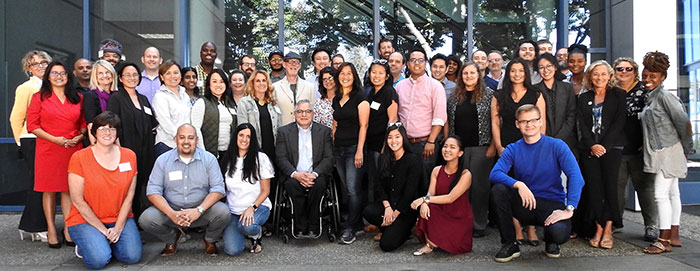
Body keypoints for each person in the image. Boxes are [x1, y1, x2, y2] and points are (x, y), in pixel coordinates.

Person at [490, 104, 584, 262]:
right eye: (524, 121)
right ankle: (510, 243)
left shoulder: (557, 145)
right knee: (498, 190)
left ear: (541, 122)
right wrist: (518, 184)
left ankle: (551, 240)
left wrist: (570, 207)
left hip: (551, 203)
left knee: (560, 233)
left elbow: (575, 176)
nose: (529, 124)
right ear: (517, 124)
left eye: (534, 120)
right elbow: (495, 174)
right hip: (526, 203)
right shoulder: (513, 148)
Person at [139, 124, 231, 257]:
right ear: (175, 139)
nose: (186, 142)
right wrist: (171, 214)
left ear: (197, 140)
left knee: (223, 212)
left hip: (201, 209)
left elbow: (218, 188)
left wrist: (199, 210)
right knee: (146, 219)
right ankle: (172, 238)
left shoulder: (209, 159)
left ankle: (209, 240)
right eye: (182, 137)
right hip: (171, 209)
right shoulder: (162, 160)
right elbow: (153, 191)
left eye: (190, 138)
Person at [66, 112, 141, 269]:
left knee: (132, 256)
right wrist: (103, 230)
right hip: (85, 220)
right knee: (98, 261)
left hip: (119, 217)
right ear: (94, 132)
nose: (108, 133)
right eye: (102, 129)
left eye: (112, 129)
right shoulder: (79, 158)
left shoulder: (129, 156)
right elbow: (78, 201)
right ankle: (94, 243)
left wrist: (118, 228)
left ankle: (104, 243)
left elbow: (129, 196)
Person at [27, 61, 87, 248]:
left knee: (69, 189)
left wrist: (78, 138)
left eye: (63, 73)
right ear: (48, 77)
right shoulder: (39, 97)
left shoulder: (77, 97)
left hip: (72, 148)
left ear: (68, 77)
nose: (59, 76)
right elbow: (32, 126)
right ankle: (52, 229)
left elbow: (84, 124)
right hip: (49, 149)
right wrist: (56, 140)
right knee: (50, 190)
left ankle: (68, 228)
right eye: (54, 73)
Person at [640, 51, 694, 254]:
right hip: (662, 151)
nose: (647, 79)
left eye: (653, 76)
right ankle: (674, 235)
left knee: (660, 195)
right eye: (645, 75)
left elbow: (684, 124)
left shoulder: (665, 97)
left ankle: (663, 240)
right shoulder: (651, 98)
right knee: (673, 193)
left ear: (663, 77)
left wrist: (687, 149)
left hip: (669, 151)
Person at [491, 58, 546, 245]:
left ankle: (530, 228)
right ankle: (516, 229)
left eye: (520, 71)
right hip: (507, 146)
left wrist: (538, 147)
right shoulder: (499, 95)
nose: (517, 74)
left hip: (531, 146)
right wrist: (499, 146)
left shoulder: (536, 94)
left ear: (526, 73)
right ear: (508, 74)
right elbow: (495, 122)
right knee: (508, 186)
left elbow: (542, 123)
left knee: (531, 184)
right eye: (513, 71)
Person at [576, 60, 626, 249]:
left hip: (611, 150)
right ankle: (598, 227)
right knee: (594, 190)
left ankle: (608, 228)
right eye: (596, 74)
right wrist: (592, 146)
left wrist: (604, 145)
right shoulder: (583, 97)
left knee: (610, 189)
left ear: (610, 76)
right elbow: (581, 125)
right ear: (590, 76)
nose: (600, 78)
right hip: (589, 150)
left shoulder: (618, 95)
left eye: (604, 74)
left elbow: (619, 122)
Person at [445, 62, 496, 238]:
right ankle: (462, 222)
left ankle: (479, 223)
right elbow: (449, 122)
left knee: (479, 188)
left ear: (479, 75)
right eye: (465, 73)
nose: (468, 76)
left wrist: (492, 146)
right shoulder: (453, 97)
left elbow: (496, 122)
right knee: (459, 187)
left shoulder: (489, 95)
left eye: (472, 73)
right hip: (459, 150)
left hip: (482, 148)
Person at [613, 57, 658, 241]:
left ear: (635, 71)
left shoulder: (644, 92)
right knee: (617, 189)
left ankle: (651, 225)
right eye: (619, 69)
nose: (623, 72)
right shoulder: (611, 92)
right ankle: (616, 222)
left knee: (645, 188)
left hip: (640, 149)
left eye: (628, 69)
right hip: (617, 149)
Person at [10, 50, 52, 242]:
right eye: (36, 64)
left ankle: (29, 225)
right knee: (39, 184)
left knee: (46, 184)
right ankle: (36, 226)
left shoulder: (53, 85)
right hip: (32, 139)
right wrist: (21, 142)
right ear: (28, 68)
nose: (41, 66)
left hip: (50, 139)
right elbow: (16, 117)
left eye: (44, 62)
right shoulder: (26, 88)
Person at [107, 63, 158, 221]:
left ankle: (140, 220)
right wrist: (118, 149)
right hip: (126, 149)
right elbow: (111, 125)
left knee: (142, 183)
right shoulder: (116, 98)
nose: (132, 78)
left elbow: (152, 123)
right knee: (127, 185)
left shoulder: (142, 98)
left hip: (145, 149)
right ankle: (126, 222)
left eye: (135, 74)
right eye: (127, 75)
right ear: (120, 78)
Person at [276, 100, 334, 238]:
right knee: (291, 185)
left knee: (319, 184)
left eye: (307, 111)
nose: (304, 115)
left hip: (316, 175)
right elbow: (281, 158)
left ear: (313, 114)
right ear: (294, 114)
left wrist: (313, 174)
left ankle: (314, 225)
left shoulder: (324, 131)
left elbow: (329, 158)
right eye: (300, 111)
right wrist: (295, 174)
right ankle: (300, 226)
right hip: (294, 176)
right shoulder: (283, 132)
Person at [395, 48, 447, 192]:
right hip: (404, 144)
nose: (416, 63)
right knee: (407, 184)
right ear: (407, 64)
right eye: (413, 60)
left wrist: (431, 141)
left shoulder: (435, 86)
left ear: (425, 64)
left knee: (426, 184)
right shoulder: (400, 86)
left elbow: (439, 117)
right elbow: (397, 115)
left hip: (426, 144)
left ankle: (426, 214)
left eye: (420, 60)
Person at [411, 136, 474, 255]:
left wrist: (424, 199)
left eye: (452, 147)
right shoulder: (437, 170)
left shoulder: (466, 174)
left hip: (459, 219)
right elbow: (431, 194)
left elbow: (450, 198)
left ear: (460, 153)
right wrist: (425, 203)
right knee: (427, 208)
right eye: (445, 146)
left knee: (448, 245)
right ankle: (429, 244)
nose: (447, 150)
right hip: (441, 214)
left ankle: (436, 241)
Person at [363, 124, 421, 251]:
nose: (393, 141)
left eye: (397, 137)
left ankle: (405, 229)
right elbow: (379, 186)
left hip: (405, 209)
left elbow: (410, 192)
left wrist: (395, 213)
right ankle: (387, 227)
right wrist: (388, 208)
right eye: (390, 137)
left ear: (403, 138)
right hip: (389, 205)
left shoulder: (413, 160)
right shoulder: (384, 158)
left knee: (386, 245)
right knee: (368, 211)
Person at [220, 123, 273, 255]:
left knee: (248, 226)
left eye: (248, 136)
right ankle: (239, 229)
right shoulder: (227, 159)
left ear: (253, 139)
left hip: (258, 207)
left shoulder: (261, 158)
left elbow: (265, 191)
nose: (244, 139)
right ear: (235, 137)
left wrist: (252, 208)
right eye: (241, 135)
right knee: (232, 250)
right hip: (233, 210)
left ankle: (256, 235)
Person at [333, 62, 370, 244]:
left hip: (353, 148)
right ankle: (355, 222)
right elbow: (335, 123)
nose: (345, 76)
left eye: (349, 73)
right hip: (338, 149)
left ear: (354, 76)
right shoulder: (337, 97)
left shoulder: (360, 97)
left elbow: (364, 126)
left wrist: (360, 150)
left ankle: (351, 228)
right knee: (347, 189)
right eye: (342, 73)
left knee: (354, 189)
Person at [364, 60, 398, 216]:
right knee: (372, 181)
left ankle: (386, 217)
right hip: (370, 146)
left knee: (383, 182)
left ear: (386, 76)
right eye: (373, 72)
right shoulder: (370, 93)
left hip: (382, 147)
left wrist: (386, 147)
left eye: (380, 73)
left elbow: (392, 122)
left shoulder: (389, 92)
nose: (376, 76)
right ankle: (374, 217)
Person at [533, 53, 577, 153]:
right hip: (542, 141)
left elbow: (571, 115)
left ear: (555, 67)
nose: (546, 70)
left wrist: (558, 139)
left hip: (566, 141)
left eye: (549, 66)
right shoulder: (534, 89)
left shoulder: (567, 88)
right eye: (541, 67)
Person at [191, 69, 237, 158]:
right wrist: (203, 152)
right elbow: (195, 128)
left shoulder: (230, 103)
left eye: (222, 81)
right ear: (209, 84)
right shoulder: (202, 102)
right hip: (209, 154)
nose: (218, 85)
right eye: (214, 81)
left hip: (228, 153)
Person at [237, 70, 282, 160]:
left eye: (264, 80)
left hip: (273, 150)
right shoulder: (244, 102)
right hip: (254, 150)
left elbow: (279, 127)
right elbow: (243, 129)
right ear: (252, 83)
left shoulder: (273, 103)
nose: (261, 83)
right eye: (258, 81)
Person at [153, 59, 190, 157]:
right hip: (167, 145)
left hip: (185, 144)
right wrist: (182, 138)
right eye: (168, 73)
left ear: (180, 75)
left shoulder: (185, 94)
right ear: (162, 77)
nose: (173, 76)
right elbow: (166, 123)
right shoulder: (160, 96)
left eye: (176, 72)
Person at [273, 52, 316, 125]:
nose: (293, 65)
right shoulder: (275, 87)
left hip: (305, 130)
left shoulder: (309, 87)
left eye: (296, 62)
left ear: (299, 66)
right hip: (283, 130)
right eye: (290, 62)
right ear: (284, 64)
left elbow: (313, 110)